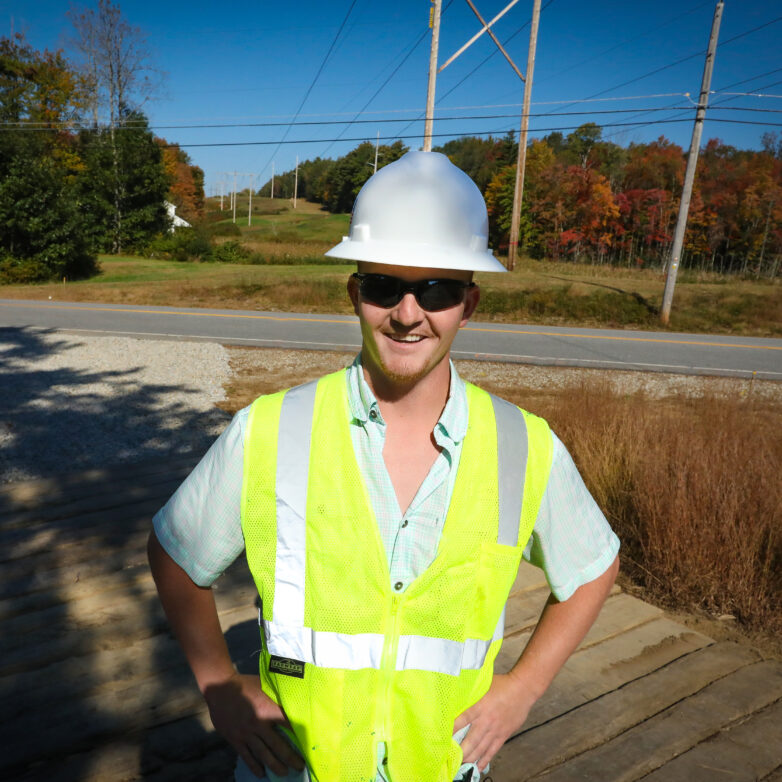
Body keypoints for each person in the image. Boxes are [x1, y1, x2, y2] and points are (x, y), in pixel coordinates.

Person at [148, 150, 620, 782]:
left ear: (468, 303)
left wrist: (525, 689)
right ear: (354, 293)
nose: (406, 313)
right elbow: (176, 553)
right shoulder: (269, 428)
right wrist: (217, 684)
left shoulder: (524, 445)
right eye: (382, 286)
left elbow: (593, 566)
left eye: (436, 290)